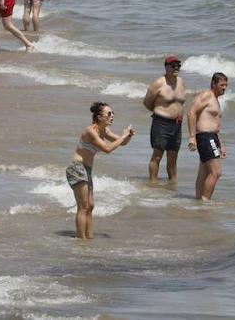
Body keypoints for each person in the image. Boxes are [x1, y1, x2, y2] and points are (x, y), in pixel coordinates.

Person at [66, 102, 134, 239]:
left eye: (112, 113)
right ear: (99, 117)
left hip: (87, 169)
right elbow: (107, 149)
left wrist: (128, 135)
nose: (112, 116)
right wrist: (123, 136)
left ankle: (89, 238)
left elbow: (123, 142)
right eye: (108, 113)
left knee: (90, 206)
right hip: (77, 168)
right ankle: (81, 239)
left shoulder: (105, 131)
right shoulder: (90, 131)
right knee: (83, 207)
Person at [142, 55, 185, 180]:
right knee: (157, 156)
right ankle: (153, 183)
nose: (176, 68)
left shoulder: (181, 82)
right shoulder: (158, 83)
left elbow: (180, 103)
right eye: (173, 66)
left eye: (178, 66)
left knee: (173, 157)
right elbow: (147, 102)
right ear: (166, 67)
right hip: (161, 124)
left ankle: (172, 184)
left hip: (177, 124)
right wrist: (160, 112)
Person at [187, 72, 228, 201]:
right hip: (205, 137)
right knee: (216, 172)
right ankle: (205, 201)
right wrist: (192, 137)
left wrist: (221, 144)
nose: (224, 88)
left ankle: (198, 200)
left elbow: (215, 125)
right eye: (221, 85)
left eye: (226, 85)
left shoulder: (215, 100)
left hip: (212, 137)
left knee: (204, 172)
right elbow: (191, 113)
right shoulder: (206, 96)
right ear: (213, 84)